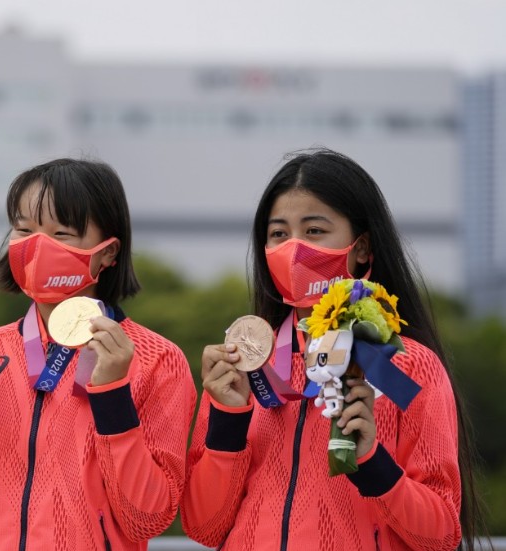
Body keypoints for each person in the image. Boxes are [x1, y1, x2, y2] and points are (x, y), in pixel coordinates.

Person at [181, 149, 486, 550]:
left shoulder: (402, 368)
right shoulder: (244, 365)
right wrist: (227, 420)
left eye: (314, 231)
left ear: (361, 248)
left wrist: (373, 463)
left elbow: (441, 535)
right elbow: (204, 528)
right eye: (278, 234)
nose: (294, 249)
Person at [0, 158, 197, 550]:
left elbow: (147, 518)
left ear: (108, 252)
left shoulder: (156, 360)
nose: (36, 246)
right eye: (24, 229)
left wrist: (114, 396)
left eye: (62, 233)